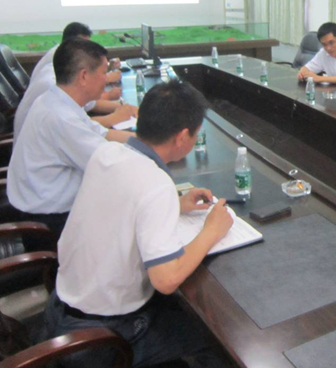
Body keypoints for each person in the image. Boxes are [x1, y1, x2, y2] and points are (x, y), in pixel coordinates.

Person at [45, 80, 232, 368]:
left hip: (62, 310)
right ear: (183, 137)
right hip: (100, 339)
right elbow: (166, 280)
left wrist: (176, 203)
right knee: (217, 335)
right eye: (196, 134)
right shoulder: (156, 183)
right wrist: (211, 231)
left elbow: (123, 203)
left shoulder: (107, 153)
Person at [7, 39, 134, 237]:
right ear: (83, 76)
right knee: (131, 218)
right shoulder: (60, 117)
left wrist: (147, 139)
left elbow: (103, 133)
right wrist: (156, 151)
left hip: (47, 204)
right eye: (104, 72)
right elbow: (110, 164)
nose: (107, 79)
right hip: (51, 222)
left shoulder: (57, 100)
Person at [15, 21, 135, 136]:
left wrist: (127, 109)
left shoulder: (61, 62)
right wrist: (115, 116)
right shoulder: (54, 86)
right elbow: (82, 126)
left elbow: (88, 115)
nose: (88, 52)